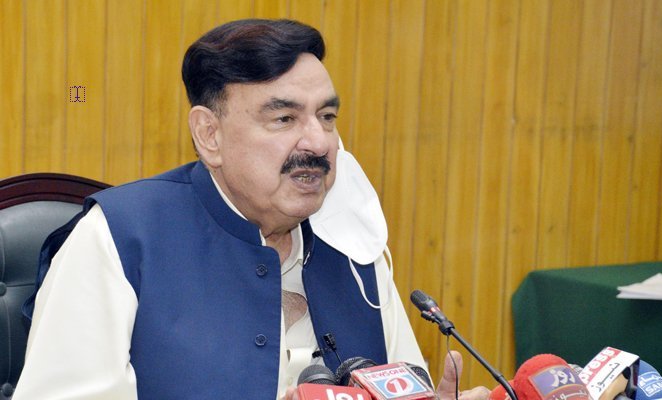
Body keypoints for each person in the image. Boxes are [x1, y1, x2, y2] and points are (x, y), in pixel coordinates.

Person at [14, 19, 490, 400]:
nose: (319, 142)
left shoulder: (353, 241)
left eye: (326, 117)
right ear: (210, 135)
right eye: (284, 118)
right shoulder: (118, 238)